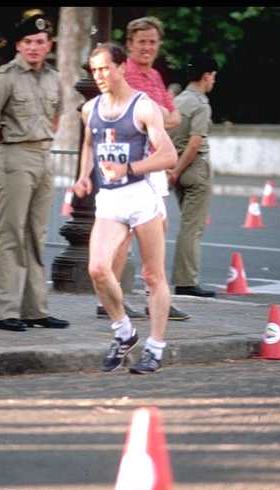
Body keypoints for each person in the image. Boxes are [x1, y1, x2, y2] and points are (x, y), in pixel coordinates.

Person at [73, 42, 178, 374]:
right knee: (97, 269)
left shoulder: (143, 108)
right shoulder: (90, 109)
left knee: (152, 275)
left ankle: (156, 347)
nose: (100, 76)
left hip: (140, 197)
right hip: (110, 199)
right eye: (95, 70)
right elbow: (90, 143)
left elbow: (169, 156)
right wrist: (82, 177)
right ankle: (124, 332)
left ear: (121, 68)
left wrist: (129, 168)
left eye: (106, 69)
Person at [0, 14, 69, 332]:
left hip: (43, 156)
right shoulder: (8, 76)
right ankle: (5, 311)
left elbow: (55, 117)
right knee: (11, 234)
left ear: (48, 45)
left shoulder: (54, 78)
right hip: (16, 155)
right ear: (18, 45)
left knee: (36, 236)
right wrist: (6, 135)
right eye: (27, 42)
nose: (34, 47)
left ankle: (35, 309)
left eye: (40, 42)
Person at [96, 16, 190, 322]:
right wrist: (159, 113)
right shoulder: (128, 75)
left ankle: (155, 296)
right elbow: (159, 114)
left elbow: (173, 118)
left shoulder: (154, 76)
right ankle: (111, 298)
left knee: (157, 231)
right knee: (123, 235)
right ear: (129, 45)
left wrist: (159, 112)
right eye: (141, 42)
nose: (147, 47)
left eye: (152, 42)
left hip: (154, 162)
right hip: (132, 163)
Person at [167, 55, 219, 297]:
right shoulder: (201, 104)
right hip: (195, 170)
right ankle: (187, 281)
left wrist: (173, 169)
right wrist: (178, 170)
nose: (213, 82)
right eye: (213, 77)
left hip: (177, 168)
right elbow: (195, 142)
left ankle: (184, 278)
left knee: (186, 225)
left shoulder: (177, 101)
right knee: (192, 228)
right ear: (207, 76)